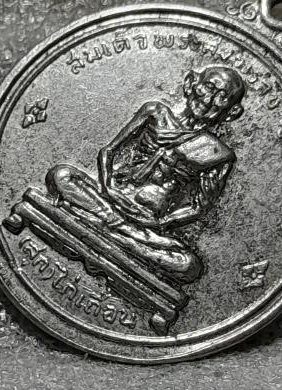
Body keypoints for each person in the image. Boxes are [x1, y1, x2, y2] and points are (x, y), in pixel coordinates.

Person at [43, 65, 245, 283]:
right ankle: (123, 238)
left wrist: (160, 223)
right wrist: (106, 185)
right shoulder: (154, 112)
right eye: (209, 87)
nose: (209, 100)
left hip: (146, 221)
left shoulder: (218, 154)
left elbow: (199, 208)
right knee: (62, 175)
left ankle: (108, 228)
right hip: (109, 197)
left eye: (221, 97)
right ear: (190, 83)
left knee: (188, 265)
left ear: (231, 112)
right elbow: (108, 151)